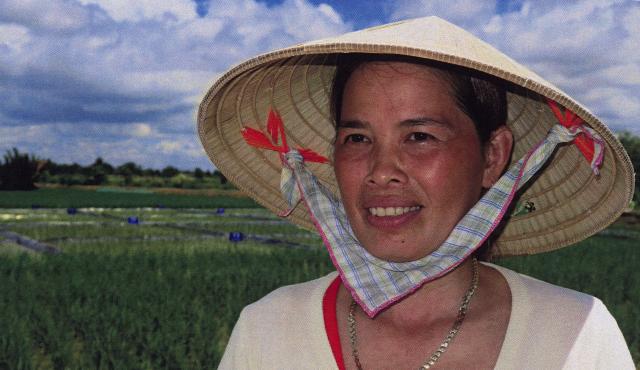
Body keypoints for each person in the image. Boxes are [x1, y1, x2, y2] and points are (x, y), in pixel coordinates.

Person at [198, 17, 635, 369]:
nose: (382, 172)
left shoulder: (575, 333)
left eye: (420, 136)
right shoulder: (268, 327)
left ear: (492, 155)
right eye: (357, 138)